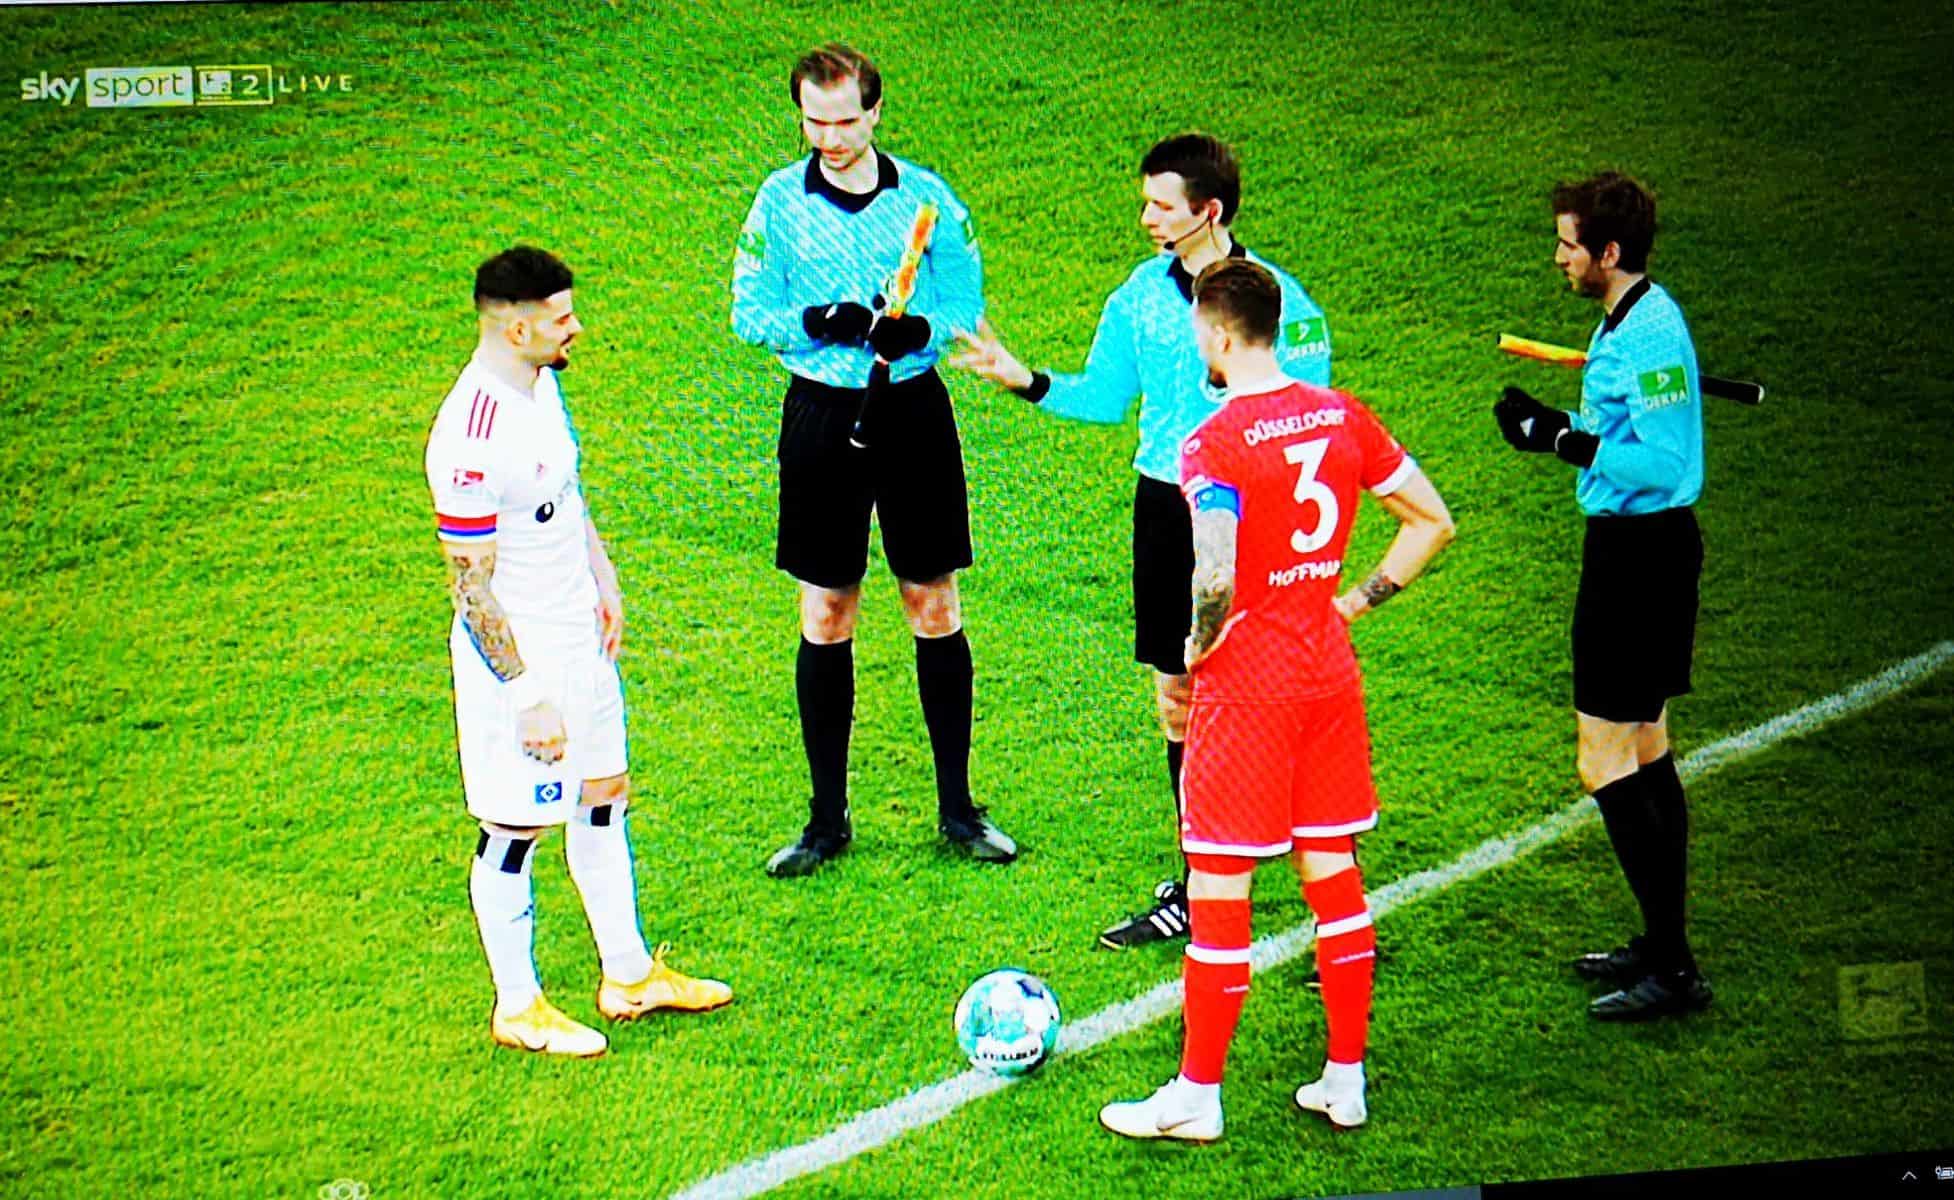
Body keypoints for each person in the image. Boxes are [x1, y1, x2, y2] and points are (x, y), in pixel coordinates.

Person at [1099, 259, 1454, 1140]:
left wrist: (1196, 644)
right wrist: (1356, 601)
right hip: (1327, 672)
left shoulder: (1212, 441)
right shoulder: (1342, 414)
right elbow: (1432, 521)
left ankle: (1196, 1096)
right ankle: (1345, 1080)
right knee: (1332, 873)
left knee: (1220, 882)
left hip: (1248, 687)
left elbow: (1214, 572)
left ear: (1218, 334)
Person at [951, 133, 1332, 949]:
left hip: (1249, 515)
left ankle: (1335, 904)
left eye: (1162, 205)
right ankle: (1200, 883)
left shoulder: (1280, 304)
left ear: (1209, 211)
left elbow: (1310, 417)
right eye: (1147, 202)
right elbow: (1103, 397)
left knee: (1268, 705)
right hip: (1165, 507)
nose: (1147, 218)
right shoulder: (1139, 296)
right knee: (1179, 697)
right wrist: (1023, 379)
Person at [426, 246, 732, 1056]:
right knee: (514, 830)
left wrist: (603, 576)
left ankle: (628, 976)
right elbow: (470, 588)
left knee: (603, 793)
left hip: (579, 639)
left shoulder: (541, 384)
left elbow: (562, 495)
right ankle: (518, 1007)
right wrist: (524, 694)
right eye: (562, 318)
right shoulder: (469, 438)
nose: (577, 328)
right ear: (517, 327)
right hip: (523, 663)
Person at [731, 43, 1018, 876]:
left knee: (933, 601)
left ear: (876, 113)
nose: (829, 138)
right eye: (814, 122)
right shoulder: (778, 202)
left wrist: (921, 329)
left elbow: (964, 299)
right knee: (826, 610)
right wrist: (817, 320)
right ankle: (826, 821)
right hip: (821, 415)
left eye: (845, 121)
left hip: (912, 411)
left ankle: (959, 810)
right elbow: (749, 312)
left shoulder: (928, 198)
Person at [1493, 172, 1711, 1021]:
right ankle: (1663, 945)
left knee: (1603, 759)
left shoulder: (1648, 336)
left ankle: (1676, 968)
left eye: (1568, 245)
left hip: (1641, 559)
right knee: (1648, 746)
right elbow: (1624, 434)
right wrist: (1554, 429)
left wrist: (1564, 441)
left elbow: (1662, 462)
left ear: (1608, 252)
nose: (1559, 258)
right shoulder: (1632, 318)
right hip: (1635, 550)